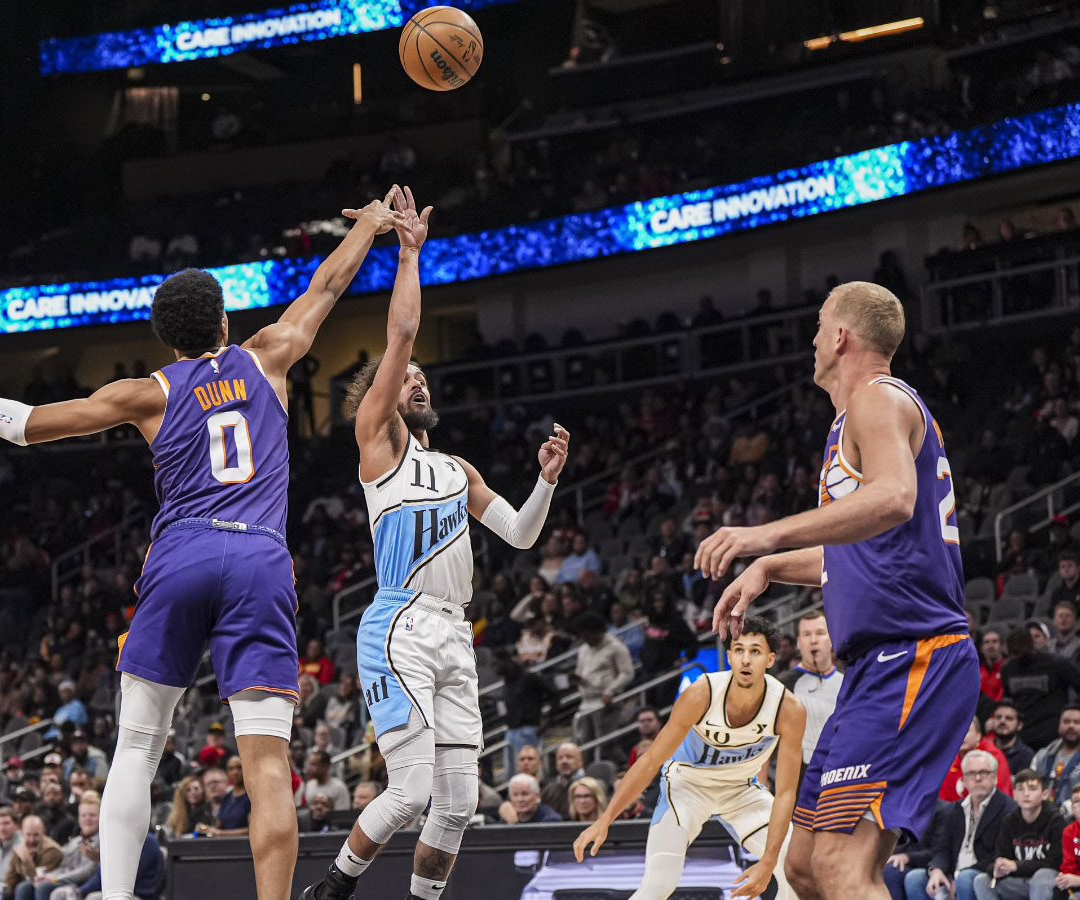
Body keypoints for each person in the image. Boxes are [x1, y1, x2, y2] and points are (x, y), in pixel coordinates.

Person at [0, 189, 408, 900]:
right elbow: (328, 284)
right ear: (224, 321)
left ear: (170, 339)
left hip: (184, 553)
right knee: (267, 765)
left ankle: (119, 897)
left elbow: (27, 424)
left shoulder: (148, 392)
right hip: (258, 558)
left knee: (136, 744)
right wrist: (373, 228)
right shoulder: (270, 355)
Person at [300, 186, 571, 900]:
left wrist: (545, 482)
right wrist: (409, 254)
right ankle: (332, 886)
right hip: (400, 624)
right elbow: (400, 339)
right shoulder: (378, 445)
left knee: (457, 805)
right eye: (407, 381)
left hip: (455, 632)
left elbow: (516, 532)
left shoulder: (457, 470)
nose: (418, 381)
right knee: (412, 789)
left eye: (423, 379)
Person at [697, 282, 978, 900]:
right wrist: (770, 566)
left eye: (820, 326)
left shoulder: (878, 399)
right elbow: (861, 547)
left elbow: (895, 498)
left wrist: (762, 532)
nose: (813, 339)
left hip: (914, 655)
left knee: (841, 868)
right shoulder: (851, 421)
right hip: (876, 669)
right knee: (800, 864)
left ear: (843, 336)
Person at [574, 616, 805, 900]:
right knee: (659, 884)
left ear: (770, 659)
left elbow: (785, 793)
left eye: (755, 651)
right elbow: (650, 761)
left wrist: (769, 861)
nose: (746, 659)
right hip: (687, 788)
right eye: (739, 650)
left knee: (799, 872)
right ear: (729, 656)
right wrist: (605, 819)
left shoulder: (789, 709)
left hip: (741, 790)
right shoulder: (702, 693)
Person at [903, 751, 1017, 900]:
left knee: (965, 878)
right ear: (963, 780)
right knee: (914, 878)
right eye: (971, 774)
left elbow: (999, 855)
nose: (977, 778)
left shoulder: (1009, 809)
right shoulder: (955, 808)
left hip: (983, 874)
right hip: (954, 872)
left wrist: (959, 876)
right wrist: (936, 869)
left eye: (984, 773)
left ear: (995, 778)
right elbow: (943, 847)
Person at [979, 768, 1064, 900]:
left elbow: (1055, 863)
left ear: (1044, 794)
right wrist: (998, 867)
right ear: (1014, 794)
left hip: (1049, 882)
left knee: (1041, 877)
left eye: (1032, 788)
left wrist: (1016, 866)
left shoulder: (1055, 820)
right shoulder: (1009, 820)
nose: (1026, 794)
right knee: (982, 880)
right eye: (1020, 789)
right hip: (1019, 881)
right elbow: (1000, 856)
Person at [776, 610, 843, 772]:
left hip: (843, 775)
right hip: (801, 781)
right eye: (807, 635)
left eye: (820, 633)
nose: (813, 640)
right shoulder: (783, 686)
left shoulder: (848, 682)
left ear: (831, 638)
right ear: (799, 643)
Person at [1028, 706, 1080, 812]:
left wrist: (1061, 811)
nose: (1071, 726)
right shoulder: (1042, 756)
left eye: (1077, 722)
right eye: (1066, 722)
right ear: (1059, 726)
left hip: (1076, 819)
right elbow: (1029, 788)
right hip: (1041, 816)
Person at [571, 612, 633, 746]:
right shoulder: (583, 649)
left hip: (605, 702)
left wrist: (611, 691)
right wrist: (577, 679)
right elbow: (580, 670)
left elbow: (626, 673)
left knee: (605, 744)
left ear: (597, 632)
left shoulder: (616, 647)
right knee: (585, 745)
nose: (586, 640)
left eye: (587, 636)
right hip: (586, 703)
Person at [988, 700, 1035, 777]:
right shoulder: (984, 750)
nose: (1002, 721)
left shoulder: (1026, 755)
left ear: (1019, 725)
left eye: (1009, 718)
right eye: (998, 717)